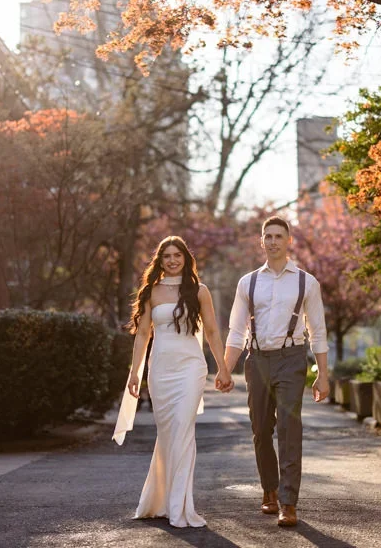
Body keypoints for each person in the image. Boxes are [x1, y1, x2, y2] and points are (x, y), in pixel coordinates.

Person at [112, 236, 234, 528]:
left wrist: (224, 368)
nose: (172, 260)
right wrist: (134, 373)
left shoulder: (200, 291)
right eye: (166, 256)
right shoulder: (151, 293)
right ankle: (162, 501)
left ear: (185, 258)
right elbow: (142, 335)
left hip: (191, 368)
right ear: (160, 261)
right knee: (168, 435)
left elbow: (213, 333)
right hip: (161, 370)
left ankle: (180, 506)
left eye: (177, 255)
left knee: (183, 429)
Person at [223, 216, 330, 528]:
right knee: (260, 429)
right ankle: (268, 490)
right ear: (261, 242)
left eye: (278, 236)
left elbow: (318, 332)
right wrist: (226, 370)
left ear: (289, 241)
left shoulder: (306, 282)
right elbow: (235, 332)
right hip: (256, 360)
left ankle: (288, 501)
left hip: (292, 359)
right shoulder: (248, 283)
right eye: (267, 236)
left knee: (288, 428)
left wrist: (323, 375)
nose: (272, 242)